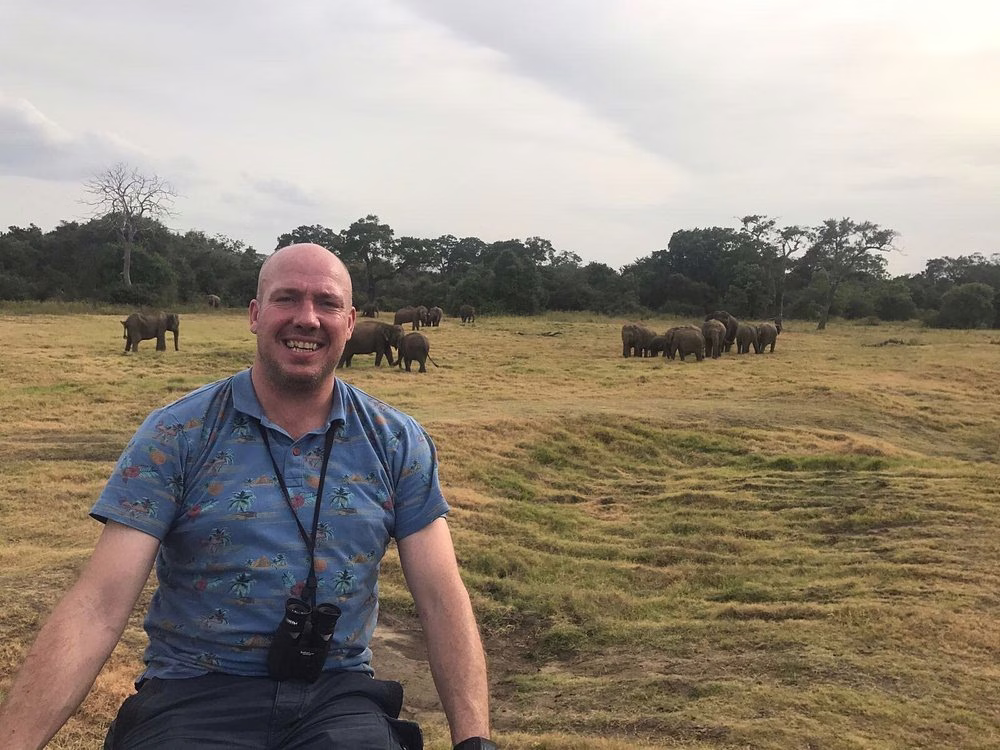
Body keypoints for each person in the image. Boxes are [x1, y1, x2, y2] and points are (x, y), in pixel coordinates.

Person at [0, 243, 494, 750]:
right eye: (287, 299)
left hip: (337, 697)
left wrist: (474, 741)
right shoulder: (177, 433)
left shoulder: (396, 440)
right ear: (255, 316)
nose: (307, 318)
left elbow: (440, 596)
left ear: (350, 323)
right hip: (193, 694)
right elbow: (99, 605)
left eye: (326, 303)